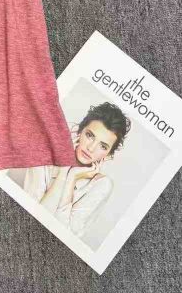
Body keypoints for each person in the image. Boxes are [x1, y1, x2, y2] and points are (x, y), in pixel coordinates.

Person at [23, 102, 131, 238]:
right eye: (90, 135)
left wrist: (72, 178)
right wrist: (64, 170)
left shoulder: (101, 185)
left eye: (103, 146)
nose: (91, 148)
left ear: (108, 155)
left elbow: (64, 235)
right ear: (79, 132)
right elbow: (33, 217)